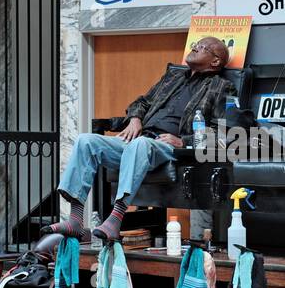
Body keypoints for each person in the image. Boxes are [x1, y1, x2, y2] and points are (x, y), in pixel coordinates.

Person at [48, 36, 236, 241]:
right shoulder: (173, 78)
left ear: (215, 61)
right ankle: (75, 220)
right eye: (195, 45)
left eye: (202, 47)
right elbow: (142, 102)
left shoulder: (221, 87)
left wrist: (184, 141)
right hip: (139, 139)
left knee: (140, 144)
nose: (194, 48)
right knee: (86, 141)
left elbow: (222, 130)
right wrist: (135, 119)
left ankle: (115, 219)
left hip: (169, 149)